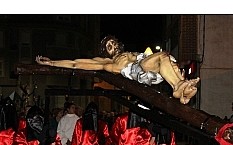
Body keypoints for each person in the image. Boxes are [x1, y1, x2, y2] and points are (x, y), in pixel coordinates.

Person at [35, 35, 200, 105]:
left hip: (153, 69)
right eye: (109, 46)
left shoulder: (128, 52)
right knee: (161, 56)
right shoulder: (106, 62)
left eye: (113, 43)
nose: (113, 46)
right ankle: (180, 88)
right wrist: (52, 63)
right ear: (105, 51)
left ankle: (180, 89)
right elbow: (75, 64)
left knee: (165, 57)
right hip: (139, 71)